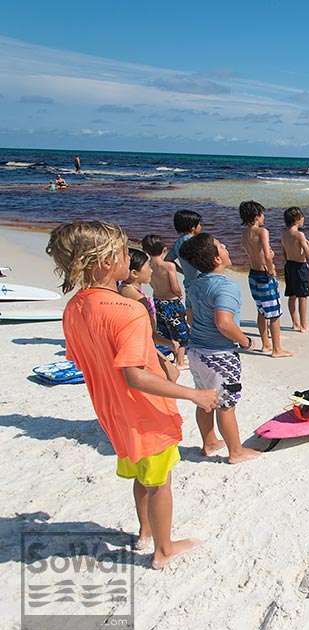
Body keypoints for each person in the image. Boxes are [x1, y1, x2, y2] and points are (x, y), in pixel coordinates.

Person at [46, 220, 218, 569]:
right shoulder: (129, 310)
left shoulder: (74, 308)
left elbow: (86, 359)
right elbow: (135, 377)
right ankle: (164, 550)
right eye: (124, 252)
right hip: (146, 412)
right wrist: (192, 395)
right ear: (105, 261)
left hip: (113, 413)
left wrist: (157, 359)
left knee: (143, 476)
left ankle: (145, 532)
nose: (130, 256)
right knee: (161, 483)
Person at [180, 232, 262, 463]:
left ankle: (209, 443)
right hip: (219, 354)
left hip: (196, 351)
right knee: (226, 405)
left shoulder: (194, 284)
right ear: (217, 259)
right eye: (220, 245)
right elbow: (224, 323)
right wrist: (245, 341)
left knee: (205, 400)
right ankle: (236, 452)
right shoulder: (226, 286)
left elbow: (190, 315)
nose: (225, 246)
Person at [240, 200, 291, 357]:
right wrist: (271, 269)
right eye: (262, 214)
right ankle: (277, 349)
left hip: (253, 274)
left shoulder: (244, 233)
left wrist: (266, 256)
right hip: (264, 275)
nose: (264, 217)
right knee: (274, 314)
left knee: (261, 310)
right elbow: (267, 255)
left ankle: (266, 344)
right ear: (257, 216)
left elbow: (252, 252)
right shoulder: (262, 231)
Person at [143, 234, 190, 368]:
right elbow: (174, 285)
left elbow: (151, 283)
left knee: (166, 330)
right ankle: (180, 361)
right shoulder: (168, 266)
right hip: (171, 302)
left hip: (158, 300)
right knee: (181, 332)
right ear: (164, 249)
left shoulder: (148, 265)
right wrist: (179, 294)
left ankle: (174, 356)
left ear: (145, 251)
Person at [166, 210, 204, 324]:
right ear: (193, 227)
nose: (201, 226)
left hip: (188, 281)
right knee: (204, 308)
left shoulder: (178, 242)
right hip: (201, 281)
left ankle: (192, 331)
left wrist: (183, 271)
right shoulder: (196, 242)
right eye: (199, 224)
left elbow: (168, 260)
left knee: (190, 308)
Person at [282, 206, 309, 332]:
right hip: (300, 266)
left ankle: (295, 323)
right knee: (303, 297)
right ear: (297, 219)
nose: (303, 219)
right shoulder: (299, 234)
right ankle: (304, 325)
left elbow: (284, 253)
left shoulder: (284, 234)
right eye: (302, 217)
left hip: (289, 265)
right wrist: (308, 245)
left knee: (292, 295)